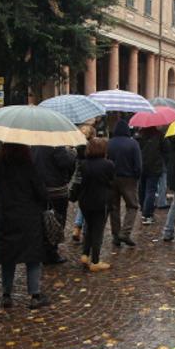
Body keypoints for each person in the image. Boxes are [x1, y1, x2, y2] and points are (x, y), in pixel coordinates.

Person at [0, 143, 51, 305]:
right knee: (32, 256)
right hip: (29, 218)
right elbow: (42, 194)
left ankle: (6, 294)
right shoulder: (31, 168)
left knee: (8, 257)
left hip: (6, 216)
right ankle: (35, 295)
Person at [76, 137, 116, 270]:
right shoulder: (108, 164)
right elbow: (111, 182)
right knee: (98, 231)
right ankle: (95, 261)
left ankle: (85, 254)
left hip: (85, 201)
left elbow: (78, 183)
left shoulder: (83, 164)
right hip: (101, 202)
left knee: (89, 228)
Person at [33, 144, 76, 264]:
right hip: (56, 189)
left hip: (39, 188)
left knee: (41, 219)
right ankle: (51, 252)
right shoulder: (57, 146)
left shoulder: (34, 145)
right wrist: (72, 153)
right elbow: (65, 163)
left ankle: (42, 249)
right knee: (57, 220)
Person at [107, 116, 142, 247]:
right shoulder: (133, 143)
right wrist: (137, 176)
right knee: (132, 206)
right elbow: (138, 164)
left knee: (114, 208)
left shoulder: (109, 143)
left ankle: (116, 235)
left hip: (112, 178)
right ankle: (125, 233)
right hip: (128, 178)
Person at [138, 127, 165, 225]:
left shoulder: (139, 135)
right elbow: (166, 150)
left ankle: (143, 210)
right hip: (154, 167)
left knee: (142, 189)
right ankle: (147, 214)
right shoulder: (159, 135)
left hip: (141, 166)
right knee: (151, 191)